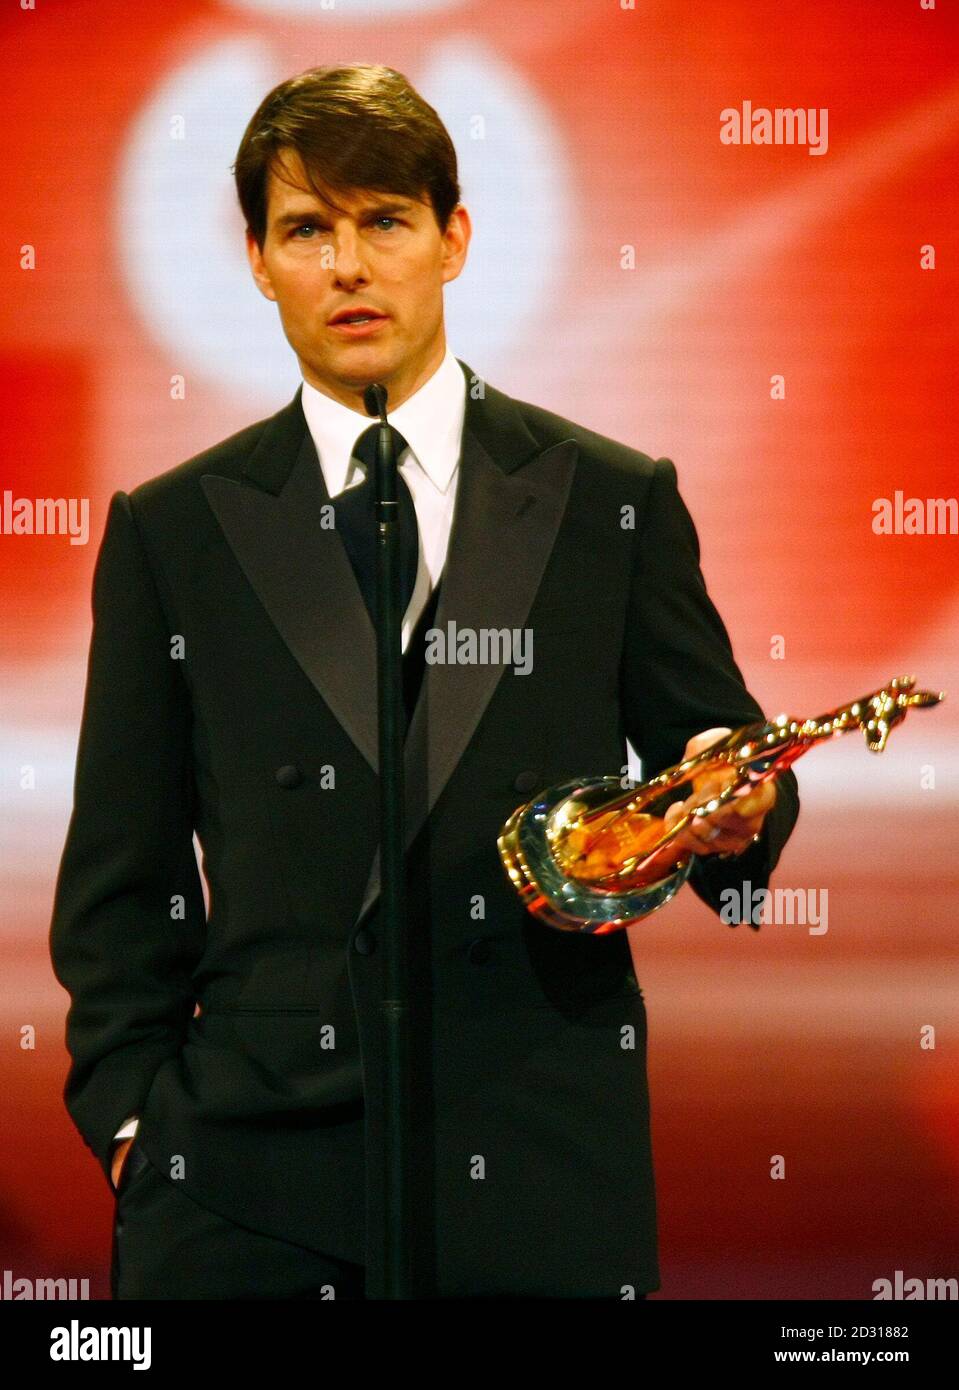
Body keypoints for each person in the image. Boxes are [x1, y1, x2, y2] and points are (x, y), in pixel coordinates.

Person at [49, 62, 800, 1300]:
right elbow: (120, 878)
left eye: (384, 220)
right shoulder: (173, 530)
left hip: (540, 1166)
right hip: (247, 1185)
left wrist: (741, 807)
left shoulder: (610, 500)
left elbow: (717, 780)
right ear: (257, 259)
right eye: (306, 229)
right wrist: (139, 1130)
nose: (347, 265)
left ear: (452, 239)